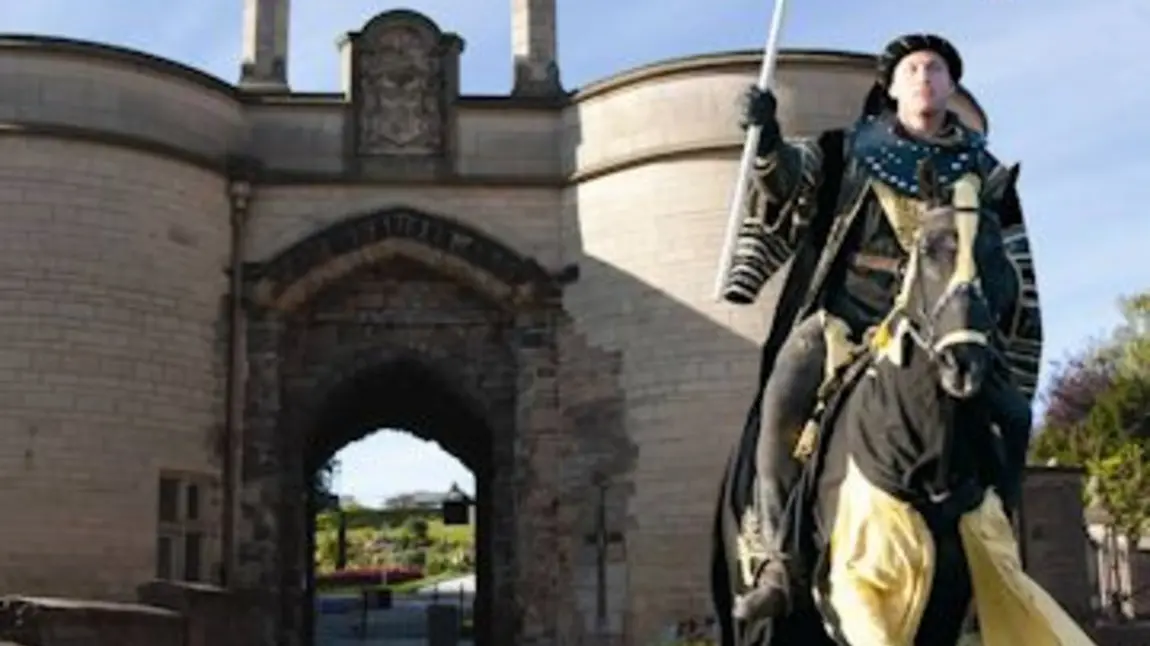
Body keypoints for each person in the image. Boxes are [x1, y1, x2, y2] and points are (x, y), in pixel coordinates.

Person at [712, 33, 1043, 633]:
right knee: (784, 392)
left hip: (944, 329)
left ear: (951, 87)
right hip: (849, 324)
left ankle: (998, 554)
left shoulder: (986, 174)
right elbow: (788, 184)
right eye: (913, 69)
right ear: (891, 86)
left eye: (937, 69)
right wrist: (765, 137)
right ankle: (778, 564)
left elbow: (1008, 261)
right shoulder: (848, 149)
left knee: (1015, 415)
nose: (925, 77)